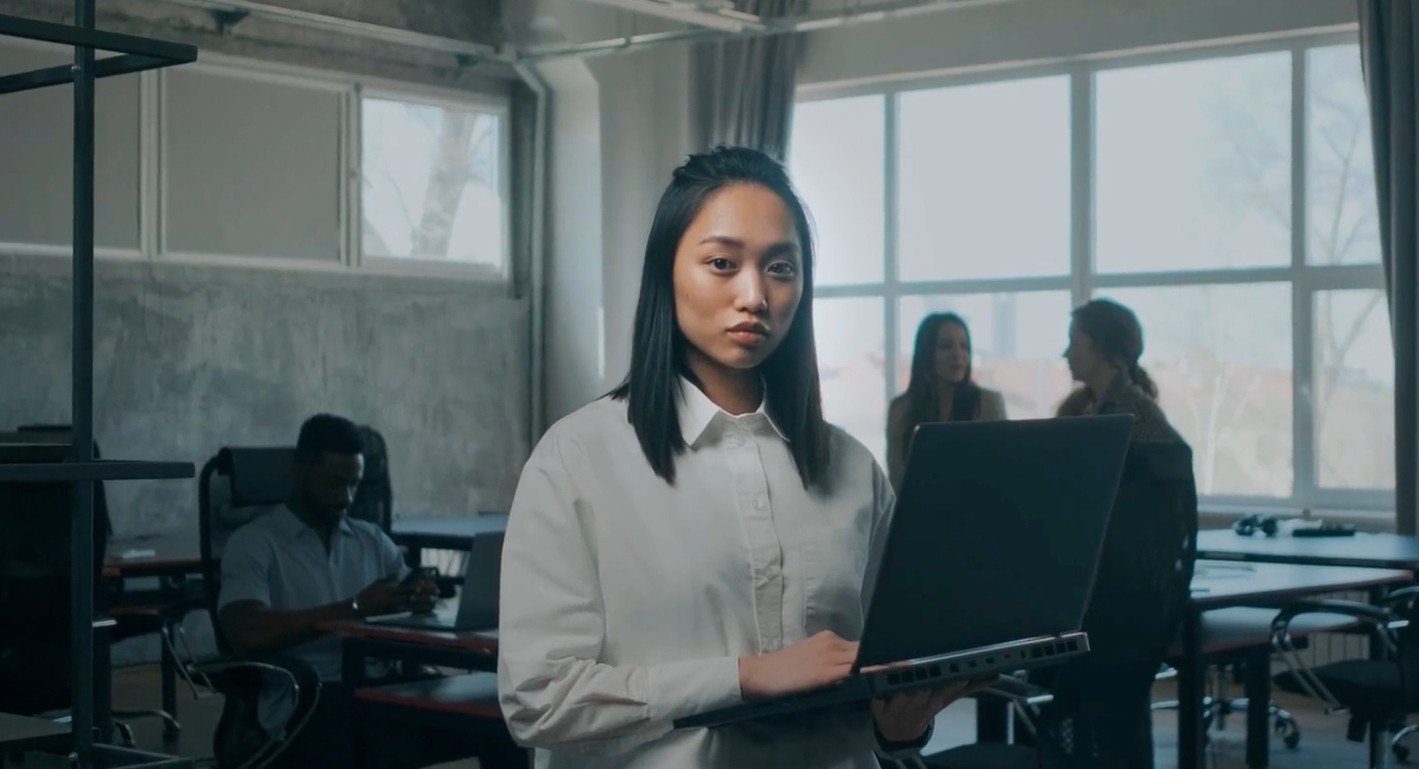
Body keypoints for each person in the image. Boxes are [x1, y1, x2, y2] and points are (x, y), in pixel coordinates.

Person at [497, 146, 979, 769]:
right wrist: (745, 676)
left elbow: (877, 693)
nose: (755, 295)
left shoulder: (854, 470)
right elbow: (537, 701)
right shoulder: (579, 457)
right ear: (665, 271)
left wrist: (900, 728)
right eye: (722, 263)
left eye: (781, 268)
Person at [219, 415, 517, 768]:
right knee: (389, 736)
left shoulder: (369, 540)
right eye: (334, 483)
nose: (345, 497)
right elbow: (245, 633)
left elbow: (405, 595)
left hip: (382, 682)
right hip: (309, 694)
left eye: (354, 484)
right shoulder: (254, 543)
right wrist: (356, 606)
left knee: (498, 719)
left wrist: (420, 597)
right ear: (300, 471)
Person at [885, 312, 1007, 480]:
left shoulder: (988, 402)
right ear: (927, 353)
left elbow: (1002, 469)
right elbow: (897, 480)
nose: (958, 354)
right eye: (946, 346)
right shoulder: (901, 408)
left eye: (964, 347)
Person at [1058, 299, 1184, 444]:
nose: (1066, 354)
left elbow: (1176, 458)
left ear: (1102, 347)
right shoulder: (1087, 409)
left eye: (1074, 343)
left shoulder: (1137, 415)